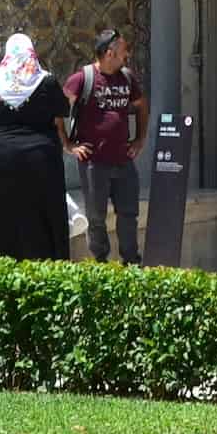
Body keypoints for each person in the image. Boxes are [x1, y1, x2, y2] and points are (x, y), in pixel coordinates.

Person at [0, 32, 73, 260]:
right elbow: (61, 112)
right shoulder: (46, 81)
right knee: (44, 211)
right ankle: (50, 263)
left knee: (3, 211)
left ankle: (3, 265)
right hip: (42, 156)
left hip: (2, 157)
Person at [62, 28, 148, 266]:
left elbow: (141, 105)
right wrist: (68, 145)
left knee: (129, 214)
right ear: (110, 53)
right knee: (96, 217)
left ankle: (131, 262)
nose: (127, 55)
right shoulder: (82, 78)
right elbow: (57, 111)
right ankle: (100, 265)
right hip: (94, 162)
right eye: (123, 51)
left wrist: (140, 139)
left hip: (123, 160)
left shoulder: (127, 78)